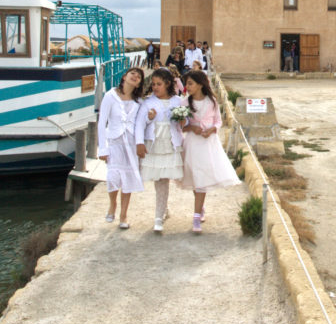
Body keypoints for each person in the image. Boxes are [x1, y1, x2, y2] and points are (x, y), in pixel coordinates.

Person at [178, 70, 240, 233]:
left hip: (208, 143)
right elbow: (181, 126)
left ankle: (196, 216)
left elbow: (218, 121)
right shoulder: (185, 103)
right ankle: (200, 207)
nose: (187, 87)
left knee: (202, 176)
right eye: (186, 84)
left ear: (200, 84)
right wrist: (192, 127)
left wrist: (212, 130)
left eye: (190, 83)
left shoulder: (211, 101)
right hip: (193, 143)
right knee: (195, 176)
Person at [97, 66, 146, 229]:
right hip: (115, 142)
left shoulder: (139, 102)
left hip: (131, 144)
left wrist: (150, 118)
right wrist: (102, 149)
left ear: (139, 84)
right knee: (113, 177)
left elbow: (141, 123)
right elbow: (101, 122)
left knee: (128, 179)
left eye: (139, 77)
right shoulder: (110, 96)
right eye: (133, 73)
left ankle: (123, 215)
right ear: (124, 77)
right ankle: (112, 204)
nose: (135, 76)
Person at [139, 68, 185, 233]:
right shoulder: (148, 102)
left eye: (159, 84)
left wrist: (181, 119)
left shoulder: (177, 101)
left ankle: (161, 213)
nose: (155, 87)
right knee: (159, 180)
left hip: (171, 143)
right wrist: (149, 118)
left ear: (167, 84)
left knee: (165, 179)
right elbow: (141, 124)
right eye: (153, 84)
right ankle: (160, 213)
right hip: (155, 144)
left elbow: (183, 124)